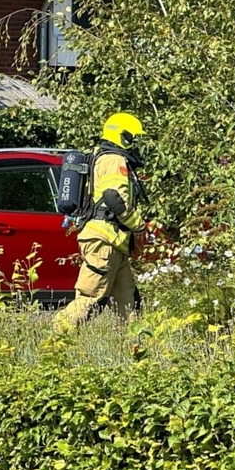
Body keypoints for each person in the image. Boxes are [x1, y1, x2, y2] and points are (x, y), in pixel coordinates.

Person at [54, 112, 149, 333]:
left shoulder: (101, 156)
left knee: (129, 300)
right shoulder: (114, 160)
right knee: (91, 299)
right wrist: (139, 226)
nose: (134, 144)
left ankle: (135, 347)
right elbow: (115, 198)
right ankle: (56, 340)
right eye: (132, 138)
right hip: (104, 242)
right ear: (122, 136)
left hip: (114, 243)